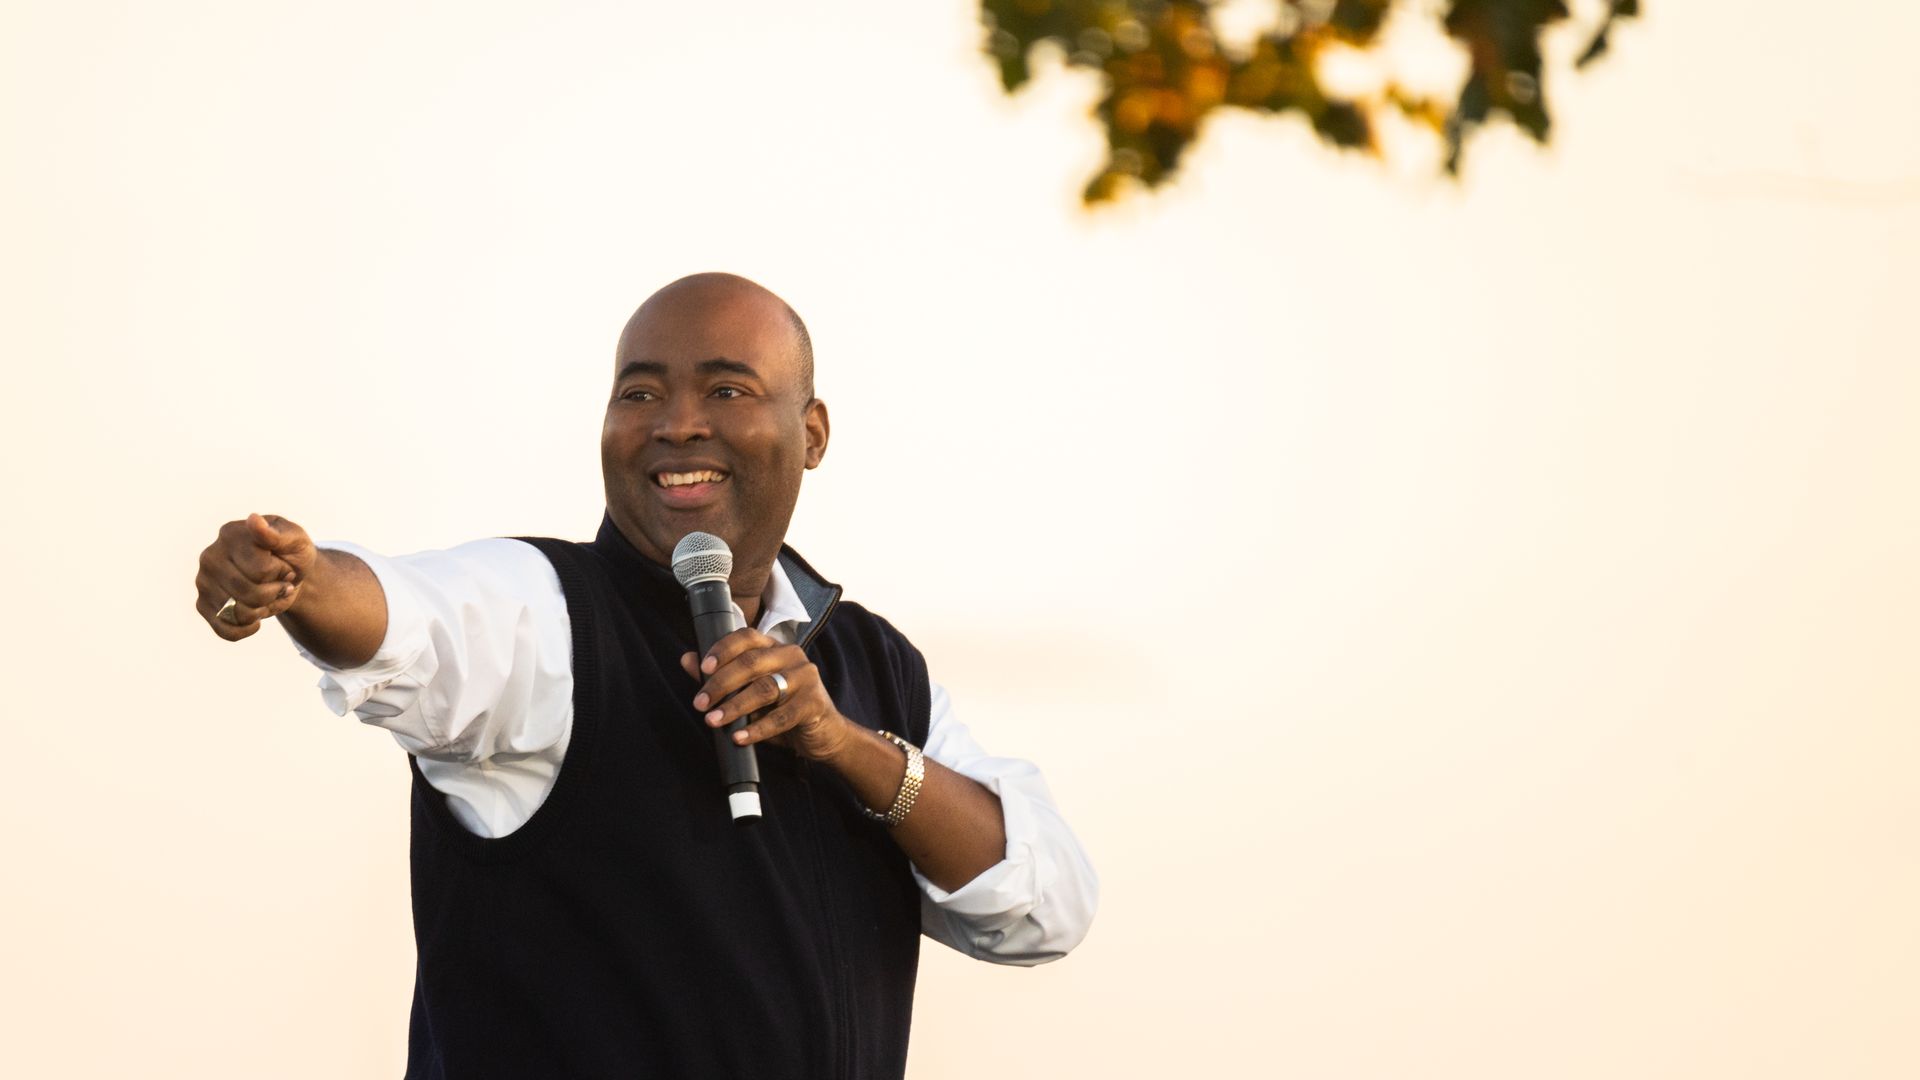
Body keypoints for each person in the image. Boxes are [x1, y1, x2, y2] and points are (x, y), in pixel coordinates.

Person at [192, 272, 1098, 1079]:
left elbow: (1041, 906)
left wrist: (846, 748)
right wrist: (303, 580)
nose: (676, 424)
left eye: (727, 387)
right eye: (640, 392)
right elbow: (416, 615)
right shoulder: (550, 612)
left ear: (811, 431)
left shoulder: (871, 663)